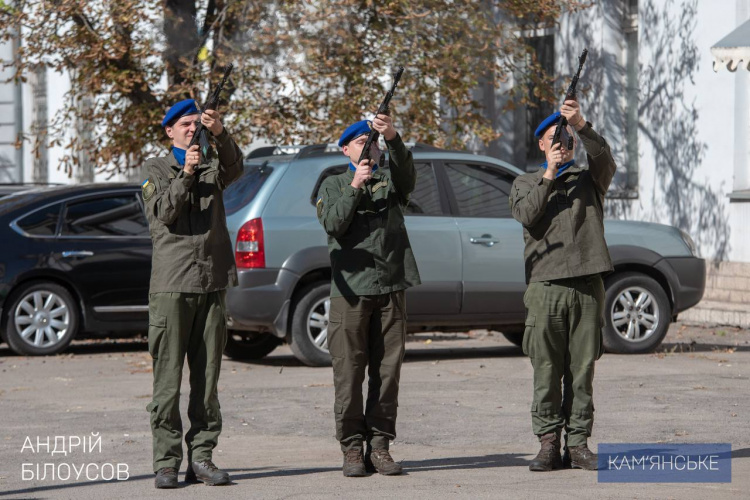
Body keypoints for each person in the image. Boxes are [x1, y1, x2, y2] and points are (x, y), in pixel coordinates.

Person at [509, 99, 616, 472]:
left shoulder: (589, 179)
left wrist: (582, 125)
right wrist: (550, 173)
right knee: (546, 370)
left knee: (582, 369)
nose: (562, 144)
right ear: (541, 145)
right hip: (546, 287)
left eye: (566, 138)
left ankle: (579, 443)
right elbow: (527, 214)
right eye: (555, 139)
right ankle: (548, 442)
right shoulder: (526, 182)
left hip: (587, 285)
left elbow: (605, 159)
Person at [142, 98, 243, 488]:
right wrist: (186, 173)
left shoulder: (212, 161)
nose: (190, 129)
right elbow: (164, 212)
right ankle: (166, 462)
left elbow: (237, 168)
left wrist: (220, 132)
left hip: (212, 281)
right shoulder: (155, 168)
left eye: (194, 123)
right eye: (184, 124)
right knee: (168, 382)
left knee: (207, 379)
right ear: (169, 131)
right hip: (172, 285)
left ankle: (202, 457)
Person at [316, 115, 421, 477]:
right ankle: (351, 448)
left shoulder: (391, 180)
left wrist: (391, 135)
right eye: (361, 143)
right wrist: (354, 187)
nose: (369, 147)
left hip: (391, 286)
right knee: (349, 372)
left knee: (387, 373)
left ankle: (379, 447)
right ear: (345, 149)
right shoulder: (333, 184)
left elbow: (407, 172)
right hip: (352, 291)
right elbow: (333, 224)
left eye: (372, 142)